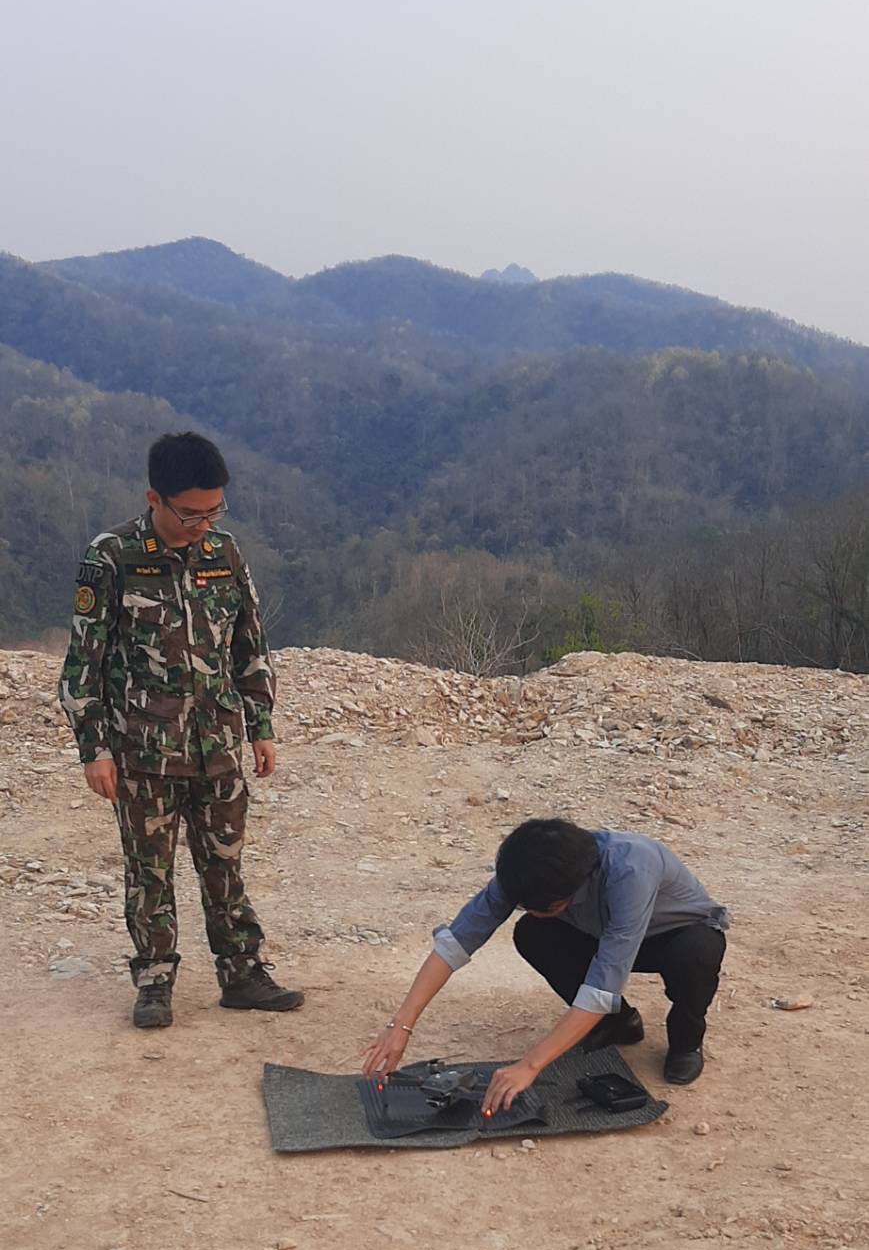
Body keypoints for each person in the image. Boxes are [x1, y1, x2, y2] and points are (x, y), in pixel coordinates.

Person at [58, 430, 304, 1030]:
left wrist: (260, 724)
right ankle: (154, 978)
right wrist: (94, 748)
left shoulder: (225, 553)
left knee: (225, 862)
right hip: (142, 750)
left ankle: (242, 973)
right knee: (149, 871)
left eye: (215, 510)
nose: (204, 523)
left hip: (218, 745)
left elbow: (249, 645)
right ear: (155, 499)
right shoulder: (112, 557)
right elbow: (83, 664)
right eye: (192, 513)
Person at [363, 818, 728, 1109]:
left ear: (573, 888)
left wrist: (530, 1065)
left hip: (672, 936)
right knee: (533, 932)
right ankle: (619, 1024)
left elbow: (604, 982)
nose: (531, 909)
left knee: (696, 952)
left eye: (546, 907)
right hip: (601, 934)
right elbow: (456, 943)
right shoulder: (529, 869)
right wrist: (401, 1025)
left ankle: (686, 1043)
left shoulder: (632, 869)